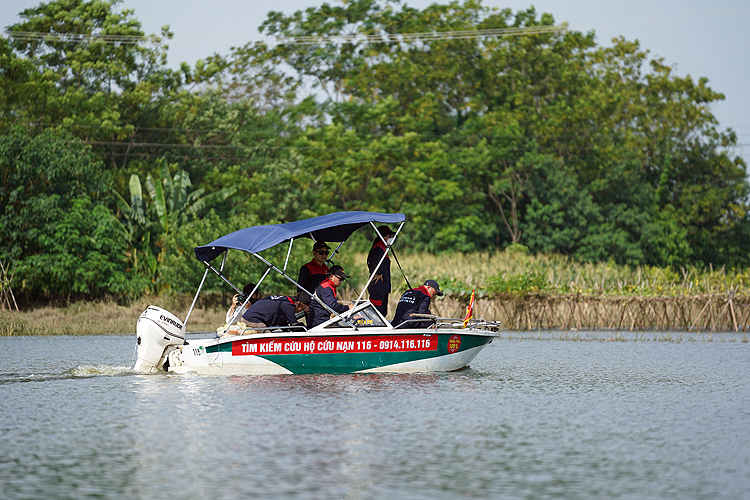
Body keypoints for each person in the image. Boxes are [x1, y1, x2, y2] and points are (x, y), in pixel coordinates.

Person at [367, 225, 395, 316]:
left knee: (383, 313)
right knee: (376, 313)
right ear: (383, 237)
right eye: (388, 236)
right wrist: (378, 273)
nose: (390, 238)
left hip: (383, 287)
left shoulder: (383, 248)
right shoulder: (378, 248)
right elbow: (372, 262)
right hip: (378, 286)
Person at [242, 292, 310, 330]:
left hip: (251, 317)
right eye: (303, 308)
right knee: (268, 338)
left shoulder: (285, 300)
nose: (301, 311)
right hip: (252, 319)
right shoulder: (288, 305)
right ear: (298, 303)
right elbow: (295, 326)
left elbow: (283, 325)